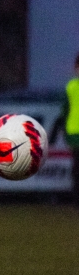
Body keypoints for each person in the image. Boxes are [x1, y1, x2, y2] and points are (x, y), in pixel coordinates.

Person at [64, 53, 79, 207]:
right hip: (75, 132)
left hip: (74, 131)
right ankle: (76, 200)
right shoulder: (71, 87)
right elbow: (65, 111)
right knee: (76, 169)